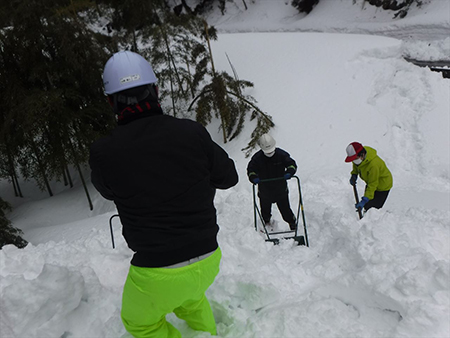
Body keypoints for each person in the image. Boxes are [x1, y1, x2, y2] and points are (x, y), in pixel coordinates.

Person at [89, 51, 238, 338]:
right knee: (192, 302)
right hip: (208, 258)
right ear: (155, 91)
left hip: (156, 272)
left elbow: (107, 191)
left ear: (111, 102)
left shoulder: (105, 152)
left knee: (140, 323)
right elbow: (228, 178)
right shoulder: (191, 133)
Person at [247, 134, 297, 231]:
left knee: (285, 210)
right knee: (265, 210)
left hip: (280, 189)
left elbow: (292, 164)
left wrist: (289, 172)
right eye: (267, 152)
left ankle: (292, 222)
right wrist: (253, 177)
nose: (269, 153)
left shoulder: (281, 155)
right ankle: (266, 223)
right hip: (264, 190)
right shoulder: (257, 158)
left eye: (271, 151)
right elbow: (251, 170)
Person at [345, 142, 393, 212]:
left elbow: (372, 184)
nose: (354, 161)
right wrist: (354, 174)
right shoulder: (359, 159)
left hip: (383, 185)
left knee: (373, 210)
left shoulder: (373, 165)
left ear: (362, 154)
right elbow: (356, 165)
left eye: (355, 159)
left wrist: (364, 200)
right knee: (367, 205)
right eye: (353, 159)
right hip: (371, 181)